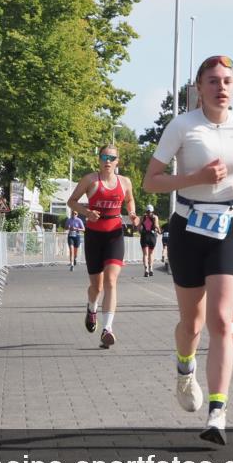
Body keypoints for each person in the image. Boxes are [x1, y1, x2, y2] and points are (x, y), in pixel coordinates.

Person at [143, 55, 233, 445]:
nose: (222, 88)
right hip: (187, 227)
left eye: (228, 81)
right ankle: (185, 369)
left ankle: (218, 412)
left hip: (229, 226)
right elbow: (151, 181)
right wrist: (195, 178)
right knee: (193, 325)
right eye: (214, 81)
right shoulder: (183, 126)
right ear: (198, 88)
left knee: (221, 318)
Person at [67, 144, 139, 349]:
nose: (108, 161)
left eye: (112, 158)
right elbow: (71, 201)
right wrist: (86, 212)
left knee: (111, 280)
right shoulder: (90, 180)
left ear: (118, 161)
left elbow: (130, 200)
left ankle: (107, 329)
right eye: (104, 157)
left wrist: (132, 214)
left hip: (115, 234)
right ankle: (92, 308)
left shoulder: (124, 181)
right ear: (99, 159)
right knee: (96, 287)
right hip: (94, 236)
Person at [140, 205, 161, 277]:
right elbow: (156, 226)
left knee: (145, 254)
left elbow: (139, 227)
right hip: (152, 236)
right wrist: (159, 231)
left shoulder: (143, 217)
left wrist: (140, 232)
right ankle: (151, 269)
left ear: (146, 210)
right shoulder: (155, 217)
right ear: (152, 210)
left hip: (144, 235)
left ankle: (146, 270)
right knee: (151, 253)